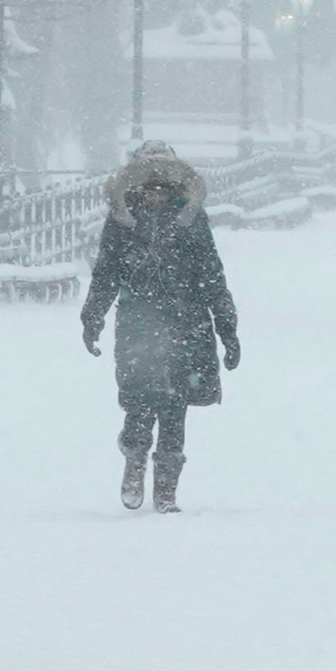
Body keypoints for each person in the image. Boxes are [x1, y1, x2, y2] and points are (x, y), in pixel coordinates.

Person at [81, 141, 239, 513]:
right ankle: (135, 464)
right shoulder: (123, 222)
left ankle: (166, 490)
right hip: (139, 322)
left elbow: (211, 274)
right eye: (148, 185)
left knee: (174, 404)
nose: (156, 192)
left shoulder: (191, 220)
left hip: (187, 324)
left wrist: (227, 327)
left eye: (162, 186)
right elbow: (106, 272)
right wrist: (93, 316)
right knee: (139, 400)